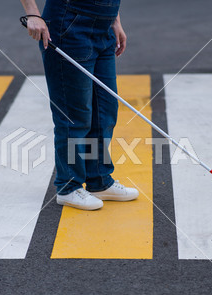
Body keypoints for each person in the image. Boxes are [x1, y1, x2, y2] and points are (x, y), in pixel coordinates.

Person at [20, 0, 138, 210]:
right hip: (69, 23)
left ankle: (99, 180)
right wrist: (32, 13)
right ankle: (69, 187)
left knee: (105, 111)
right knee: (74, 115)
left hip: (104, 26)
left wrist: (115, 20)